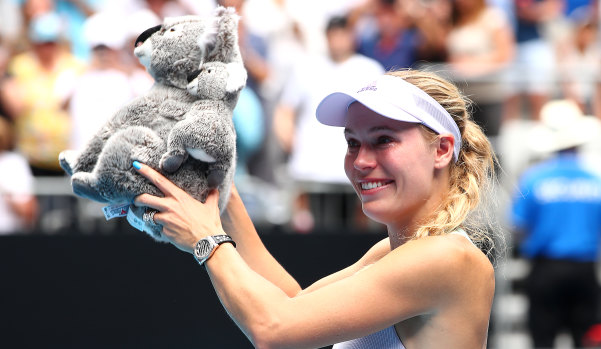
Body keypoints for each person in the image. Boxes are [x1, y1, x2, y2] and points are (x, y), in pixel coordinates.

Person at [132, 69, 499, 348]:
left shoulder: (447, 257)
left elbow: (274, 327)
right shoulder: (393, 251)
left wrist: (205, 238)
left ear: (442, 150)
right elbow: (295, 303)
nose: (361, 161)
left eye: (383, 140)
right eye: (353, 143)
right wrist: (223, 194)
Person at [510, 99, 601, 348]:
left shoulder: (533, 178)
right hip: (585, 269)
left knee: (542, 339)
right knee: (587, 340)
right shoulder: (596, 179)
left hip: (545, 269)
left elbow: (518, 225)